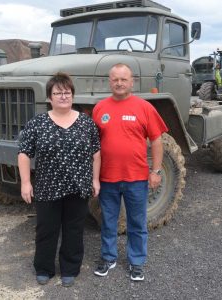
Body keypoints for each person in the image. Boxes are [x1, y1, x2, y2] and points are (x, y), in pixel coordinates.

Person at [18, 72, 101, 287]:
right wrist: (26, 182)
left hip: (78, 186)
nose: (63, 96)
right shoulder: (37, 123)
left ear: (72, 95)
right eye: (58, 93)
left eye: (67, 92)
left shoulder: (86, 123)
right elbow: (24, 153)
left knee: (74, 229)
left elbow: (96, 153)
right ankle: (44, 268)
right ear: (49, 98)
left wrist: (95, 180)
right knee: (47, 229)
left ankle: (70, 269)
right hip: (47, 188)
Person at [92, 63, 168, 281]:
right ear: (110, 81)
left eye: (123, 79)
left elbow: (156, 140)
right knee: (108, 220)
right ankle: (109, 257)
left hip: (136, 177)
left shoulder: (144, 107)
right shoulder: (100, 109)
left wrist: (156, 171)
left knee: (137, 221)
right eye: (115, 79)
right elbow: (94, 145)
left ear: (131, 82)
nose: (119, 83)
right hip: (108, 177)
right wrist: (94, 176)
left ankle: (136, 262)